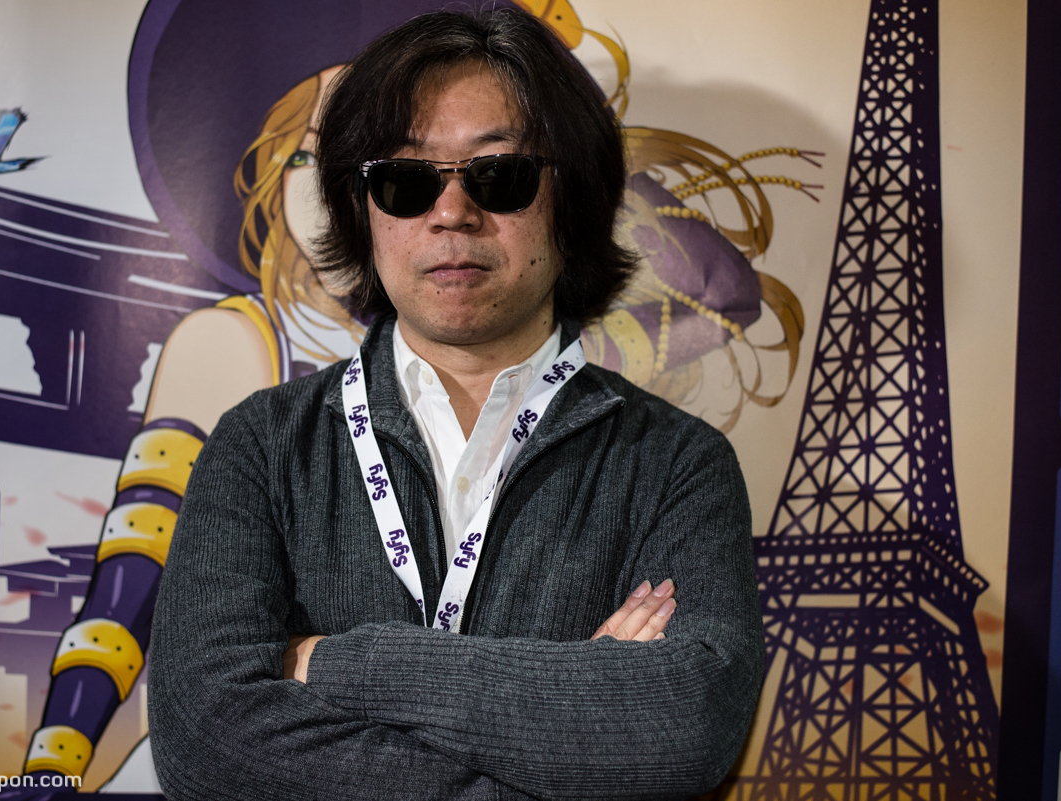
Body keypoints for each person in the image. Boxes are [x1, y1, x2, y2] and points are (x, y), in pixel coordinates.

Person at [148, 8, 763, 800]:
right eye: (405, 181)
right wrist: (577, 725)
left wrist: (331, 661)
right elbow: (203, 744)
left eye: (499, 174)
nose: (450, 212)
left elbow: (687, 724)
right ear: (362, 211)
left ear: (571, 201)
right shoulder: (261, 446)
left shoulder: (678, 464)